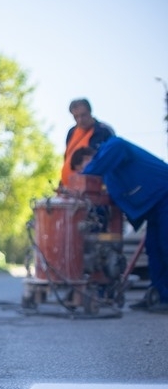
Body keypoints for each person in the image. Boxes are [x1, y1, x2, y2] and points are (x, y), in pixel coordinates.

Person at [72, 138, 168, 312]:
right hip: (155, 205)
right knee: (154, 248)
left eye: (82, 167)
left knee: (166, 245)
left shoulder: (112, 146)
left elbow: (94, 170)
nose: (84, 173)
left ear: (88, 157)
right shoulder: (110, 177)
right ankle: (160, 295)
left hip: (164, 194)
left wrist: (84, 176)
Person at [61, 98, 115, 186]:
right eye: (76, 117)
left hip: (93, 186)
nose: (80, 120)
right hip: (69, 187)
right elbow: (67, 157)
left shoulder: (103, 131)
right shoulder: (72, 132)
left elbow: (111, 158)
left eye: (83, 115)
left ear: (90, 112)